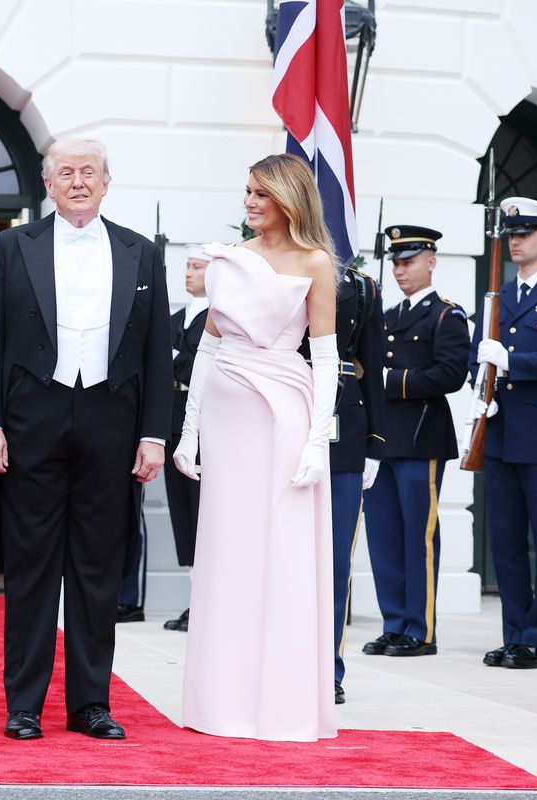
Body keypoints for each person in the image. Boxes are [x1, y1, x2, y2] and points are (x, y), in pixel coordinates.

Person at [0, 137, 171, 741]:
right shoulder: (11, 246)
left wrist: (154, 434)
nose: (78, 181)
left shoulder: (142, 251)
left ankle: (90, 704)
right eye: (66, 172)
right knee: (30, 568)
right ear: (49, 184)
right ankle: (24, 704)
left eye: (89, 172)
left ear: (106, 182)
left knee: (97, 569)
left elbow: (157, 352)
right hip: (33, 418)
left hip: (112, 422)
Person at [174, 153, 337, 742]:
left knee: (282, 556)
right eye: (246, 191)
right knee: (227, 556)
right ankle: (222, 704)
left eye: (261, 194)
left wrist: (318, 442)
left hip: (282, 416)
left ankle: (281, 705)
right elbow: (208, 349)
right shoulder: (230, 260)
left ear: (289, 201)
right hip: (225, 415)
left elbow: (325, 358)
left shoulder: (316, 263)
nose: (249, 202)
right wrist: (189, 433)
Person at [471, 197, 537, 670]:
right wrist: (482, 394)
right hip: (500, 432)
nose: (516, 241)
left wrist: (513, 362)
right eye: (512, 234)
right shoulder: (498, 298)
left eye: (526, 233)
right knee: (506, 539)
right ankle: (515, 632)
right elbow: (482, 359)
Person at [361, 226, 468, 667]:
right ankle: (394, 624)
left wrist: (392, 382)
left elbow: (450, 374)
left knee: (417, 537)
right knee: (383, 535)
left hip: (421, 438)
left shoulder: (446, 316)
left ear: (431, 262)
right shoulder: (385, 315)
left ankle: (419, 629)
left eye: (408, 261)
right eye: (396, 262)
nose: (400, 270)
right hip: (383, 441)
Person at [305, 235, 384, 706]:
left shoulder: (364, 289)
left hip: (345, 430)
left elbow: (372, 368)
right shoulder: (272, 273)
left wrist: (375, 443)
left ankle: (327, 670)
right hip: (286, 418)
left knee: (335, 562)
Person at [163, 245, 210, 633]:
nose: (189, 273)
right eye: (188, 266)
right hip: (173, 420)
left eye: (197, 267)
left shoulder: (219, 316)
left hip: (204, 425)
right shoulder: (177, 316)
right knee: (183, 515)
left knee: (202, 512)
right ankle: (195, 599)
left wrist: (173, 357)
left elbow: (202, 368)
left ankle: (207, 601)